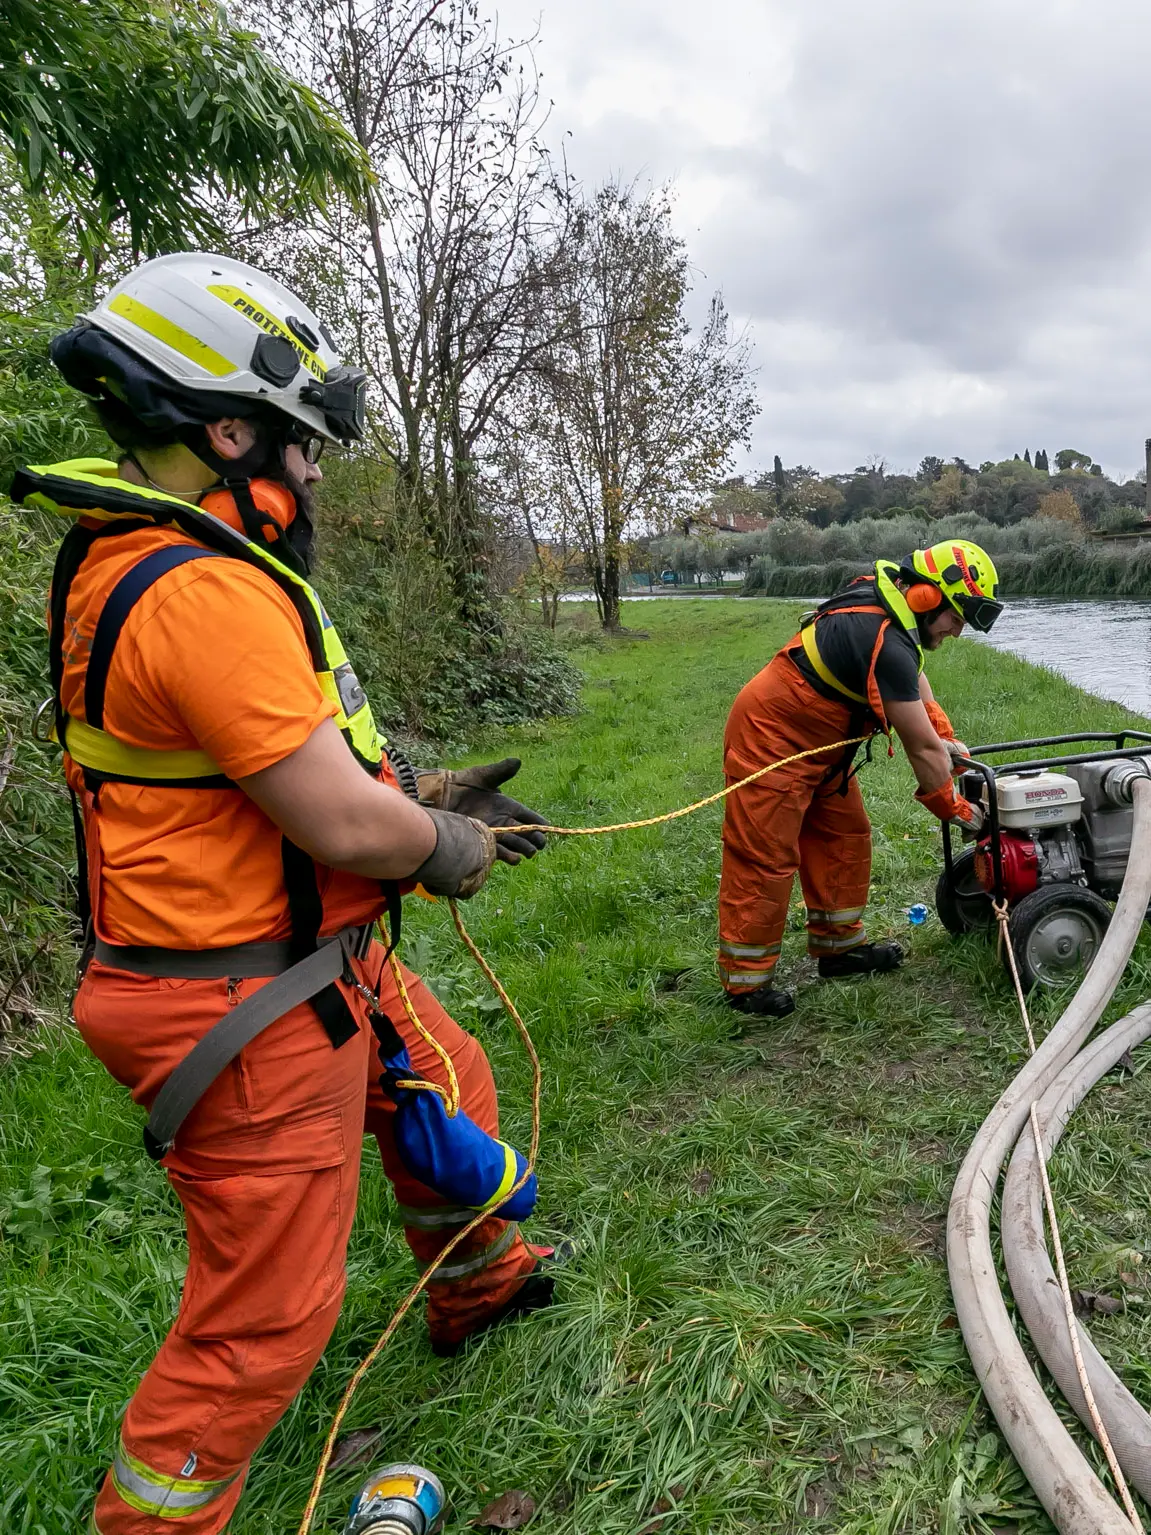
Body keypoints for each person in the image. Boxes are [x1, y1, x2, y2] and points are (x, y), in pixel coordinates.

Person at [12, 253, 556, 1535]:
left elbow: (269, 772)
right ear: (226, 426)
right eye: (302, 444)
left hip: (313, 960)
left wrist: (418, 789)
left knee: (451, 1077)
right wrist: (446, 844)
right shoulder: (202, 588)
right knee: (266, 1317)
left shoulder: (150, 560)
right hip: (243, 1004)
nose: (313, 472)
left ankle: (477, 1282)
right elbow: (331, 817)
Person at [717, 541, 1002, 1018]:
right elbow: (921, 749)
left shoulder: (892, 618)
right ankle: (746, 984)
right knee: (766, 856)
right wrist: (959, 811)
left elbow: (914, 688)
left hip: (824, 745)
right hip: (771, 738)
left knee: (844, 837)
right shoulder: (883, 636)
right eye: (956, 617)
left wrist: (950, 740)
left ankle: (839, 949)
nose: (957, 630)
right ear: (928, 598)